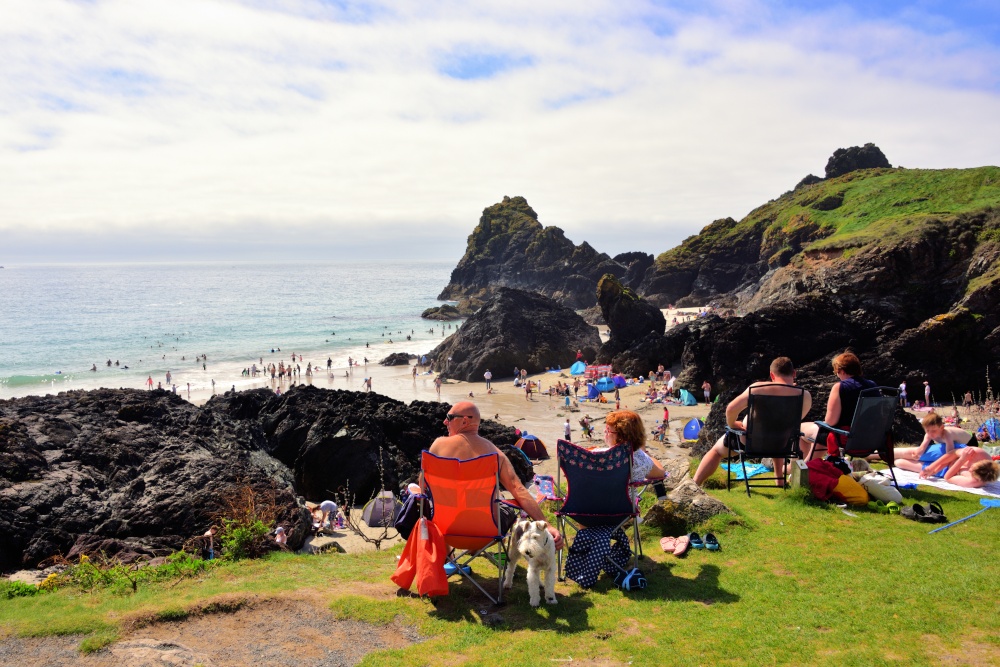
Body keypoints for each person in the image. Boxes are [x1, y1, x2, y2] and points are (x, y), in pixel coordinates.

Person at [428, 402, 563, 549]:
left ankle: (448, 557)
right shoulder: (494, 454)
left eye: (450, 417)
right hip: (487, 534)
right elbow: (518, 489)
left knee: (436, 502)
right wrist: (547, 525)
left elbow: (424, 488)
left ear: (465, 421)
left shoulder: (437, 446)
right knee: (506, 506)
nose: (445, 421)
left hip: (444, 531)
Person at [694, 357, 812, 486]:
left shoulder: (758, 388)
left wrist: (733, 424)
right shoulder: (804, 395)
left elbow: (731, 409)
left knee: (716, 452)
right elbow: (794, 421)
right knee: (778, 431)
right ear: (794, 373)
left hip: (752, 442)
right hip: (782, 444)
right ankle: (779, 480)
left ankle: (695, 484)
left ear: (772, 375)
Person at [799, 351, 876, 459]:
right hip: (870, 439)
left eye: (836, 372)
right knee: (823, 436)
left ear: (842, 371)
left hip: (847, 439)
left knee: (800, 429)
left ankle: (800, 467)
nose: (837, 375)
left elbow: (831, 421)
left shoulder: (840, 387)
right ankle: (808, 465)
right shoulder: (872, 385)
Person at [599, 410, 666, 491]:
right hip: (624, 503)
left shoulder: (594, 456)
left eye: (608, 430)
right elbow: (661, 473)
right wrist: (645, 452)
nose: (604, 431)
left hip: (590, 503)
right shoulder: (640, 459)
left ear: (621, 436)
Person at [893, 412, 974, 474]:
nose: (931, 433)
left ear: (942, 427)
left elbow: (950, 453)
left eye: (934, 431)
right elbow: (922, 448)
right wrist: (917, 455)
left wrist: (936, 467)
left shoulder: (946, 434)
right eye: (927, 430)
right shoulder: (929, 434)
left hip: (970, 442)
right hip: (958, 442)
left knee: (952, 457)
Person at [920, 447, 999, 488]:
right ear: (982, 461)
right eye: (973, 466)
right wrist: (932, 467)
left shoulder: (973, 482)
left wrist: (962, 460)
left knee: (909, 464)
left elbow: (947, 477)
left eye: (972, 472)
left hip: (946, 469)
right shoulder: (978, 453)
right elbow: (953, 453)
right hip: (947, 455)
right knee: (915, 454)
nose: (970, 469)